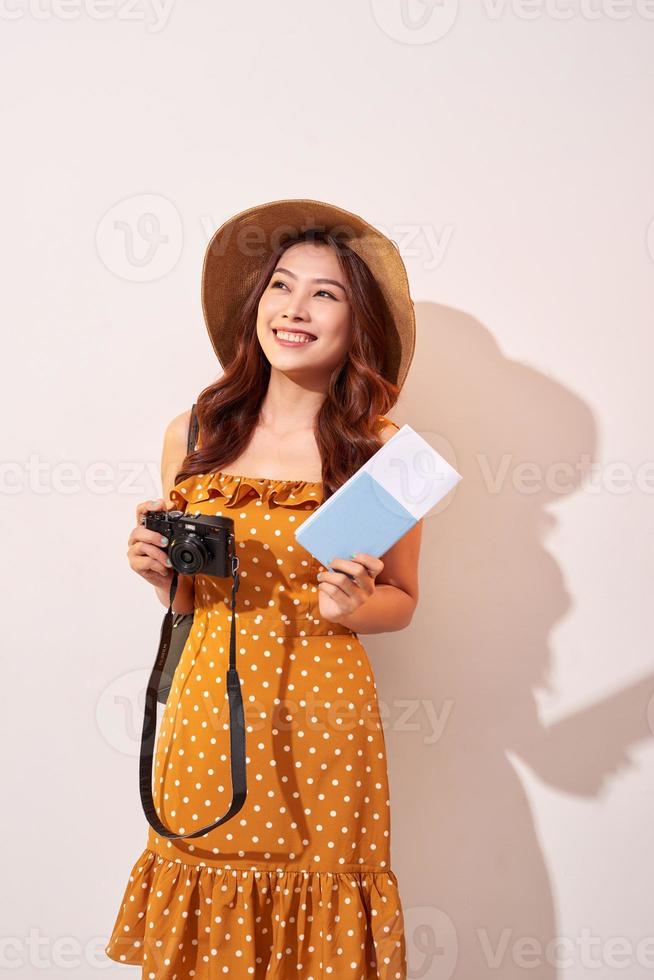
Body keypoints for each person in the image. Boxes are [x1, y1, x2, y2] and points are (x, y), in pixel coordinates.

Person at [105, 198, 422, 979]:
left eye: (326, 293)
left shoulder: (386, 454)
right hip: (208, 708)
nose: (295, 309)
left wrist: (353, 604)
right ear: (257, 306)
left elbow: (405, 600)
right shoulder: (196, 432)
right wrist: (160, 576)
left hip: (326, 718)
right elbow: (188, 603)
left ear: (359, 323)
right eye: (282, 286)